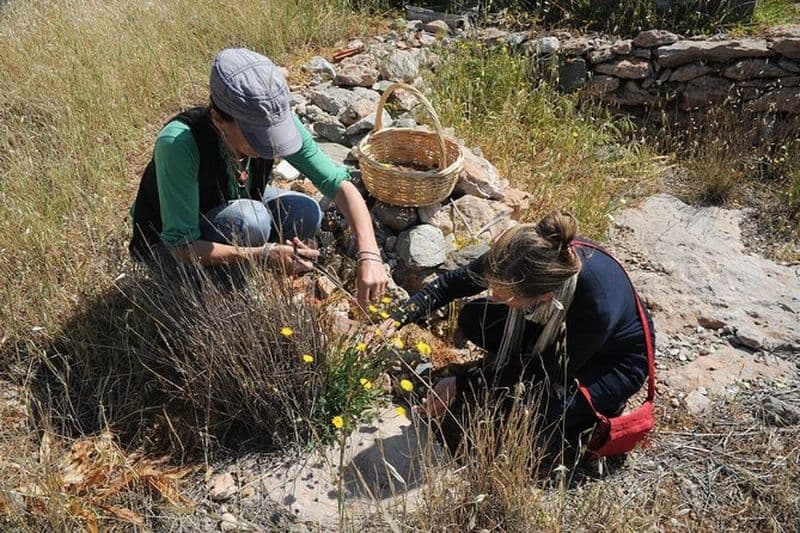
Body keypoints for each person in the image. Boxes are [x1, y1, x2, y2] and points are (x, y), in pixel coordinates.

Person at [388, 211, 655, 466]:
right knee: (474, 318)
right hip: (557, 330)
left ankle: (597, 409)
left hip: (612, 360)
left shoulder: (596, 306)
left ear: (545, 298)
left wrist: (464, 380)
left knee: (539, 415)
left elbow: (544, 371)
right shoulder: (520, 255)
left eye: (504, 295)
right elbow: (452, 284)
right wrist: (399, 316)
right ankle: (515, 359)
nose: (493, 296)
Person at [129, 48, 388, 307]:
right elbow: (180, 246)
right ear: (219, 119)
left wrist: (370, 254)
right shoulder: (179, 144)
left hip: (234, 207)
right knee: (252, 219)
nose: (270, 144)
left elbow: (339, 184)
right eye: (258, 137)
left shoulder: (274, 120)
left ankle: (252, 259)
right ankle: (226, 292)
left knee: (306, 212)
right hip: (172, 249)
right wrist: (262, 254)